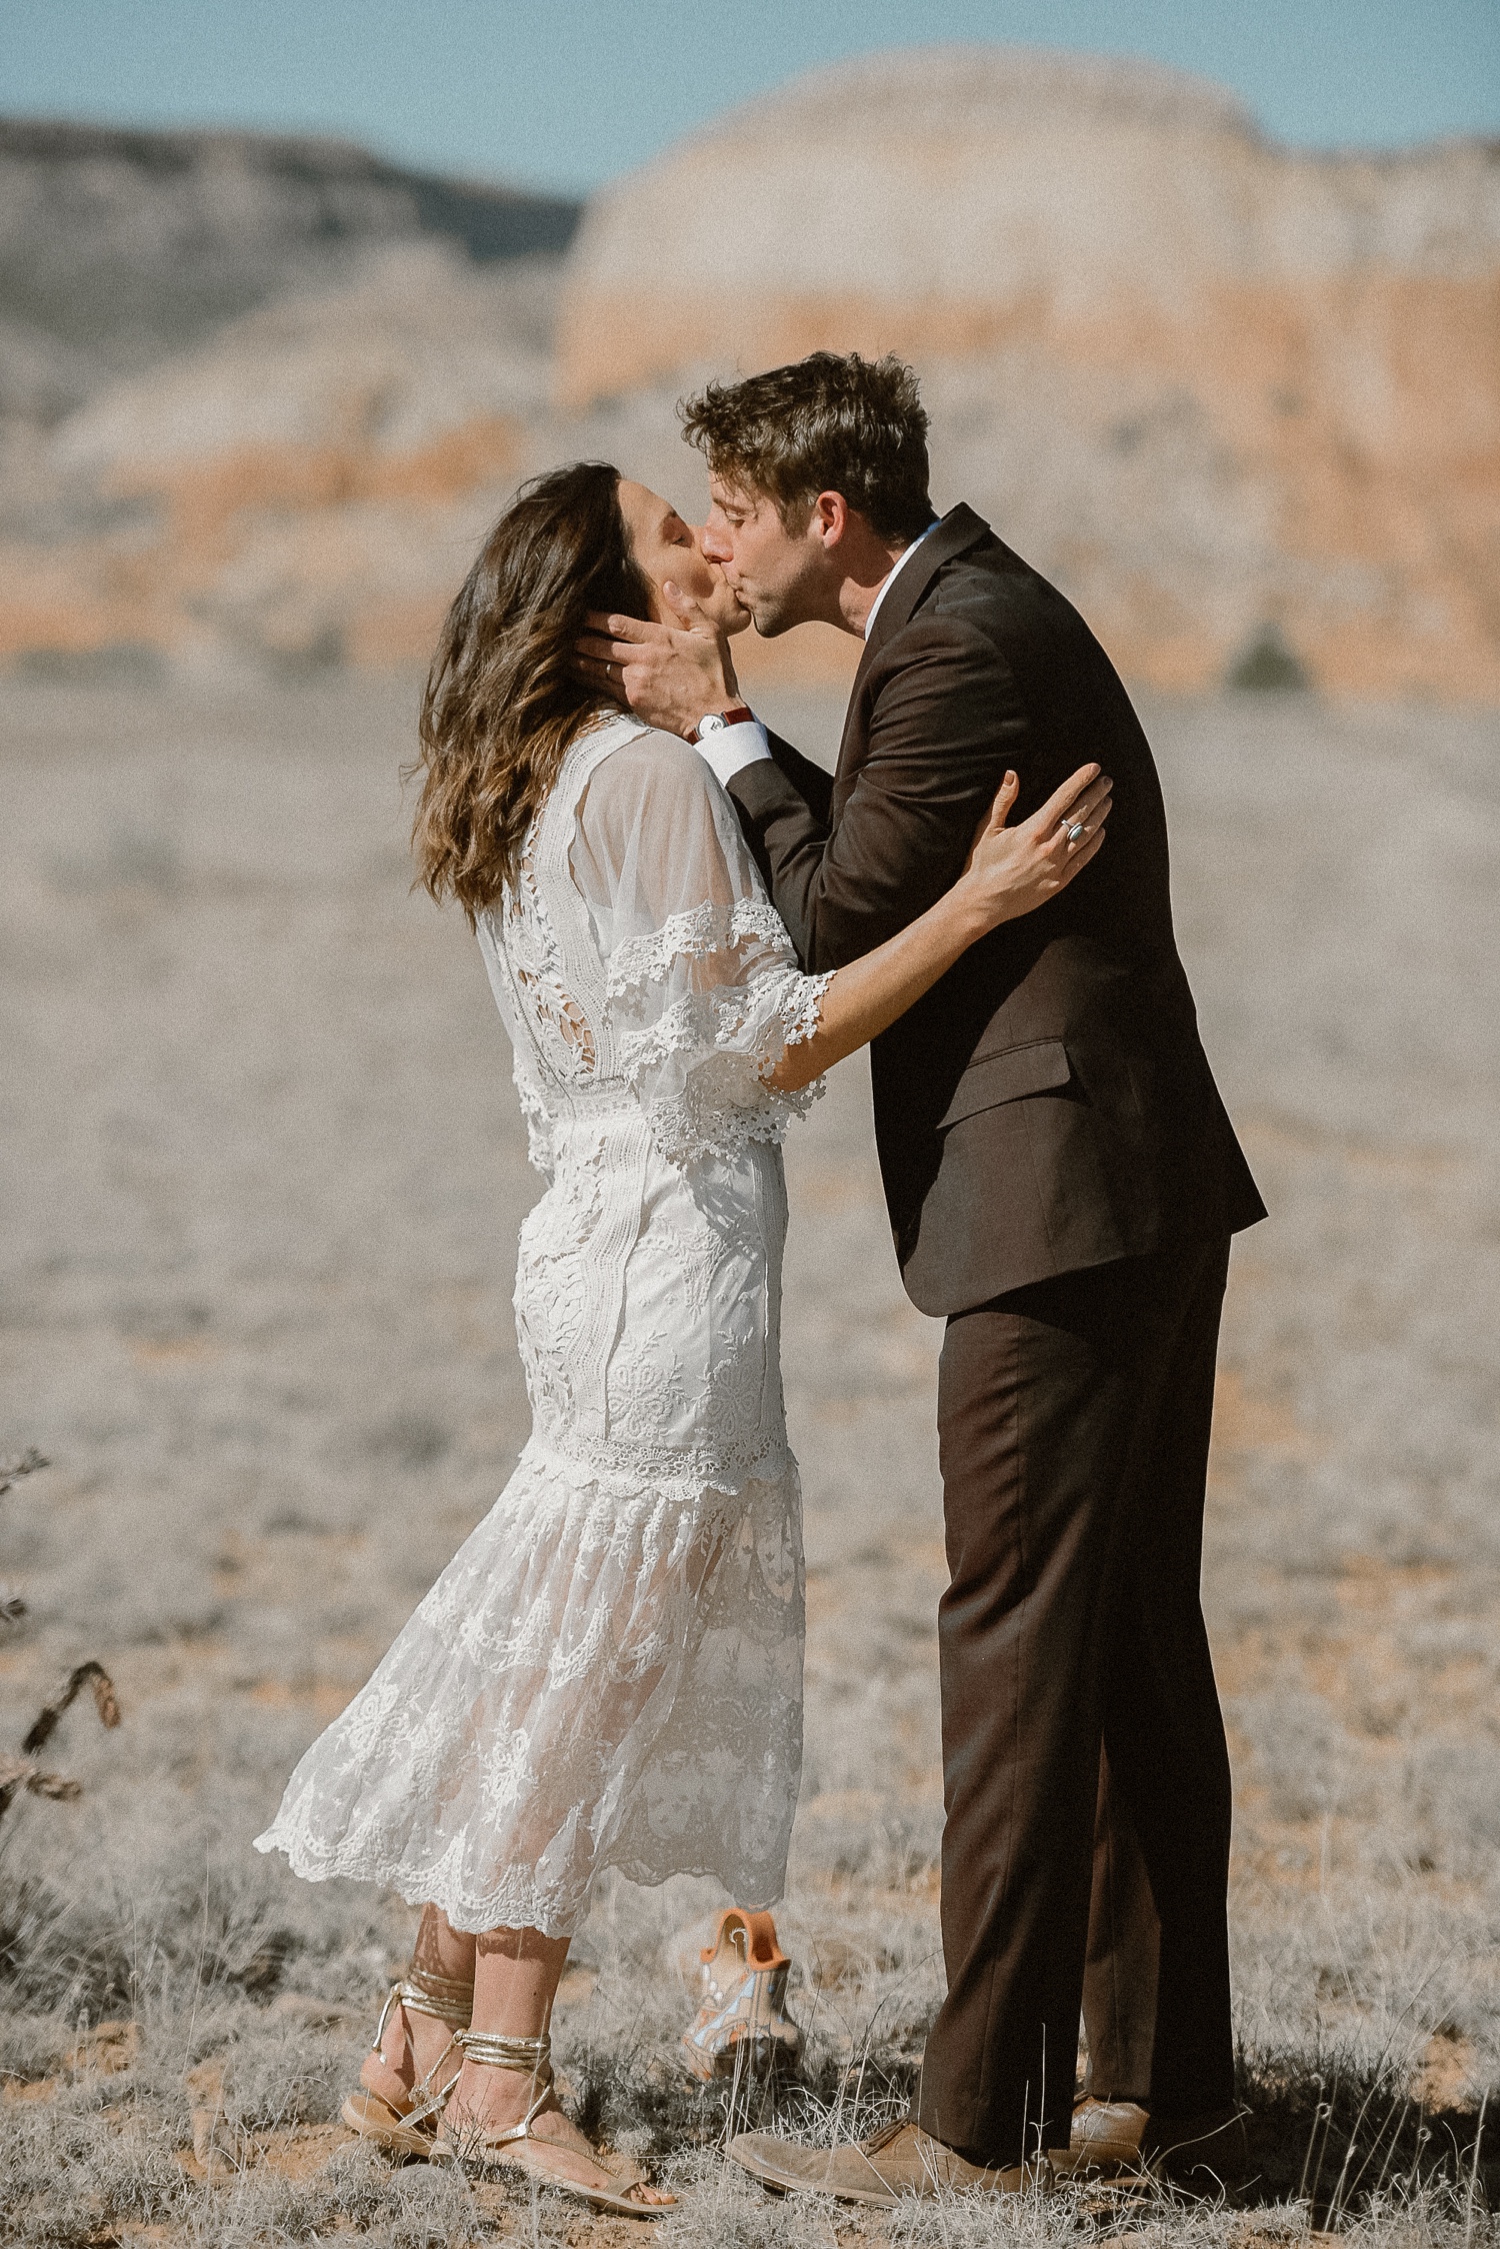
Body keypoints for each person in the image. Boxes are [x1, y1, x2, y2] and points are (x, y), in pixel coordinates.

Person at [253, 459, 1109, 2216]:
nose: (709, 550)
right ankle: (506, 2073)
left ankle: (418, 2029)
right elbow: (771, 1042)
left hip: (588, 1241)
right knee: (592, 1672)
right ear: (603, 619)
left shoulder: (542, 780)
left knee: (562, 1644)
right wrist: (977, 904)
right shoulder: (645, 777)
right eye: (668, 537)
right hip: (670, 1267)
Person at [579, 352, 1267, 2206]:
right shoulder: (959, 613)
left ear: (825, 516)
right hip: (1121, 1187)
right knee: (1118, 1640)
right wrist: (757, 740)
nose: (714, 537)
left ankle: (984, 2126)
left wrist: (722, 720)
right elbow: (891, 860)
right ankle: (1170, 2091)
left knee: (1020, 1648)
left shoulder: (957, 639)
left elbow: (825, 917)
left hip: (1064, 1201)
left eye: (731, 506)